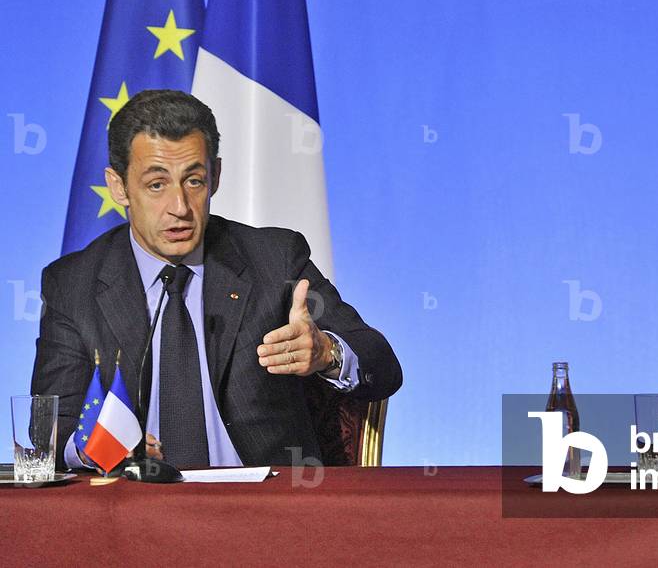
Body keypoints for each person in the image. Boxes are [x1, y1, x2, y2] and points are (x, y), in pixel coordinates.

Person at [32, 90, 402, 469]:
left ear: (217, 176)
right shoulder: (73, 284)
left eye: (194, 181)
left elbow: (383, 367)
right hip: (135, 508)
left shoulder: (275, 259)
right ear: (119, 187)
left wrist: (327, 354)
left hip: (268, 509)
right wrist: (101, 448)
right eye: (157, 185)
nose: (180, 207)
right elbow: (50, 427)